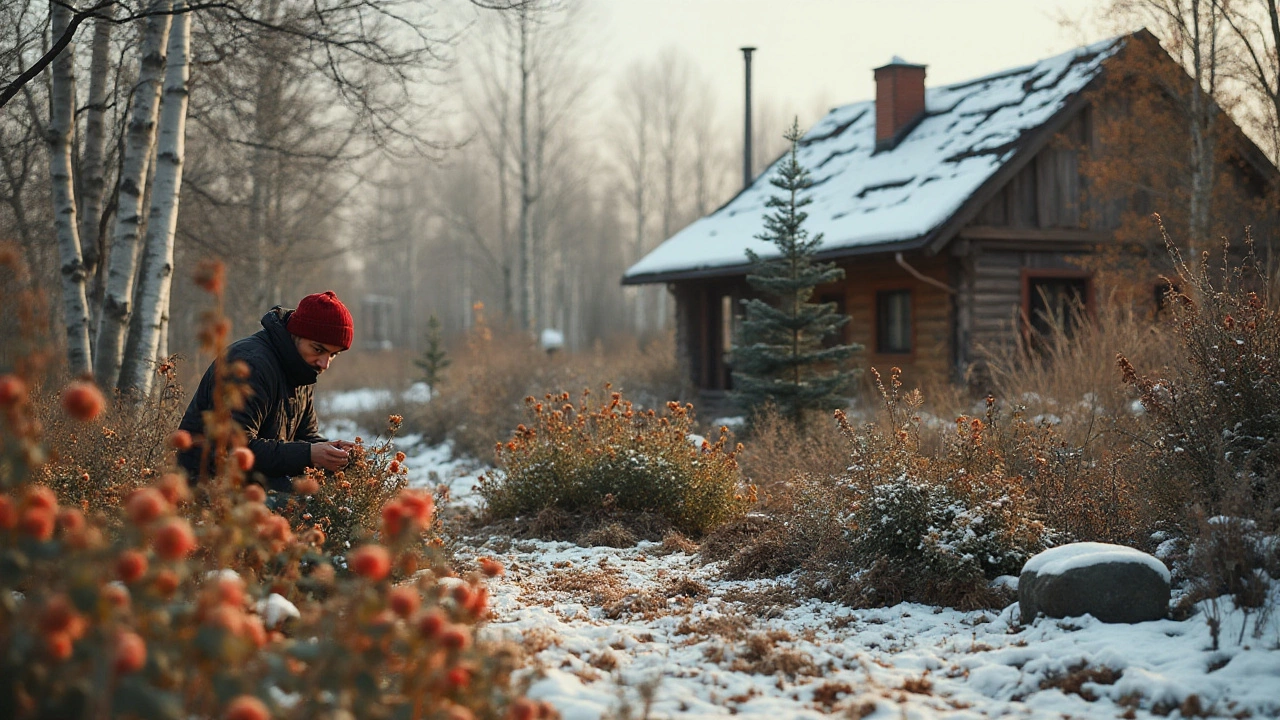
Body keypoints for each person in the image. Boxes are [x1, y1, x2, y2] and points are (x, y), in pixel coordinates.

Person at [178, 291, 356, 491]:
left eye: (333, 355)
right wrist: (308, 454)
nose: (324, 364)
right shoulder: (251, 364)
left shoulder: (302, 369)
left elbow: (305, 436)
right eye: (318, 349)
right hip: (206, 493)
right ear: (295, 334)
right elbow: (232, 449)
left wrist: (334, 452)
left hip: (256, 488)